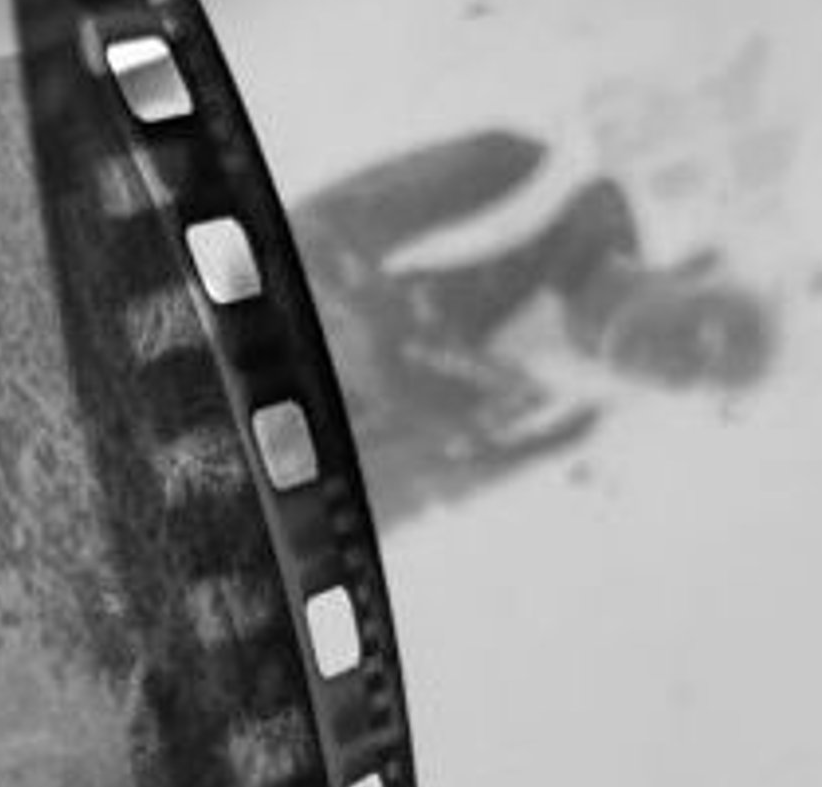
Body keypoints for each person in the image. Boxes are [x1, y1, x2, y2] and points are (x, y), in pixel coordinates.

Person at [295, 128, 774, 518]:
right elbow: (310, 238)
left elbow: (390, 498)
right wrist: (396, 336)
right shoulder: (519, 177)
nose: (672, 359)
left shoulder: (549, 420)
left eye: (693, 375)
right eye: (699, 331)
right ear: (692, 268)